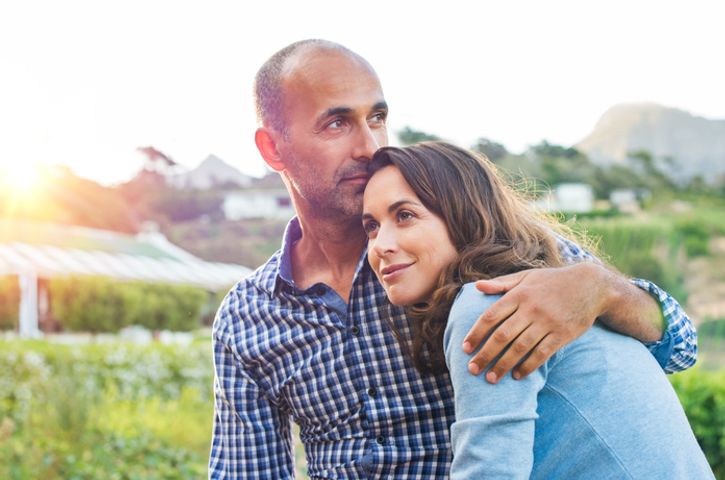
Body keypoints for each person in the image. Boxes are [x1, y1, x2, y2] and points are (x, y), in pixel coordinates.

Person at [209, 39, 697, 478]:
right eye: (337, 123)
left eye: (377, 118)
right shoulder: (246, 317)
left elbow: (679, 347)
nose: (370, 145)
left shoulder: (484, 252)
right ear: (273, 148)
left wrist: (601, 289)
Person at [362, 141, 713, 479]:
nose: (381, 246)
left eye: (405, 216)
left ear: (461, 216)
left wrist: (607, 287)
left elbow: (489, 474)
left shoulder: (490, 303)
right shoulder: (545, 286)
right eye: (372, 227)